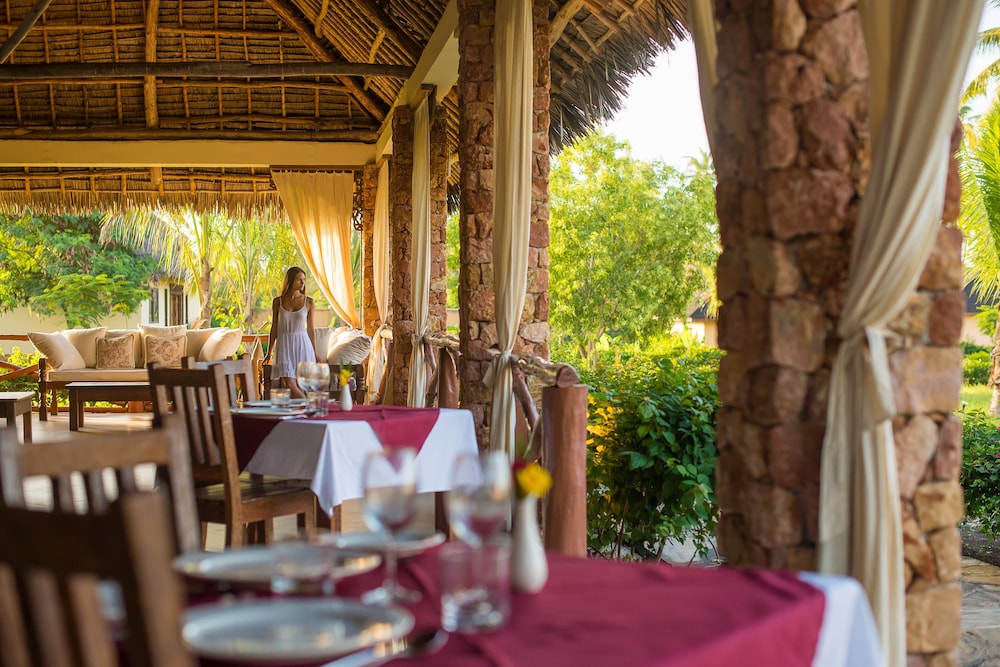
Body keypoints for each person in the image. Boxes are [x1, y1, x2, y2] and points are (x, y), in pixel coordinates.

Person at [264, 267, 322, 398]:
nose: (302, 283)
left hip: (303, 345)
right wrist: (269, 352)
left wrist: (315, 352)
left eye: (304, 280)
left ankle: (304, 409)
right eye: (299, 279)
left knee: (301, 386)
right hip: (284, 346)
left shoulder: (309, 302)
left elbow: (310, 329)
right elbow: (274, 328)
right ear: (290, 281)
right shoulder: (278, 302)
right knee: (290, 384)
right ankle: (310, 405)